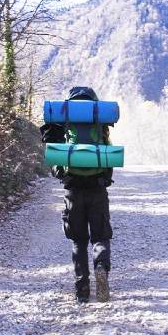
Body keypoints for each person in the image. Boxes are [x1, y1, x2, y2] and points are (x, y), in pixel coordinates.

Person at [40, 86, 114, 303]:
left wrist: (60, 172)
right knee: (100, 236)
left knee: (78, 240)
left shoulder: (65, 120)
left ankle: (82, 289)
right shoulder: (99, 120)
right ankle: (101, 267)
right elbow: (107, 154)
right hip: (97, 188)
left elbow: (54, 154)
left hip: (73, 189)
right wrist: (106, 178)